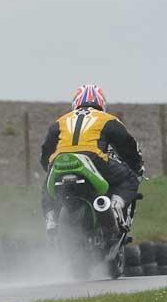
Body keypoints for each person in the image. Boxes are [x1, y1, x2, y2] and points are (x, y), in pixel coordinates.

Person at [40, 85, 144, 236]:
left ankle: (51, 219)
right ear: (102, 103)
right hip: (93, 159)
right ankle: (114, 210)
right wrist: (136, 167)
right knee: (129, 179)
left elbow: (45, 151)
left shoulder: (60, 121)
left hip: (60, 162)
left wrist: (48, 169)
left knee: (46, 188)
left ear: (75, 103)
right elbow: (128, 146)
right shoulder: (107, 119)